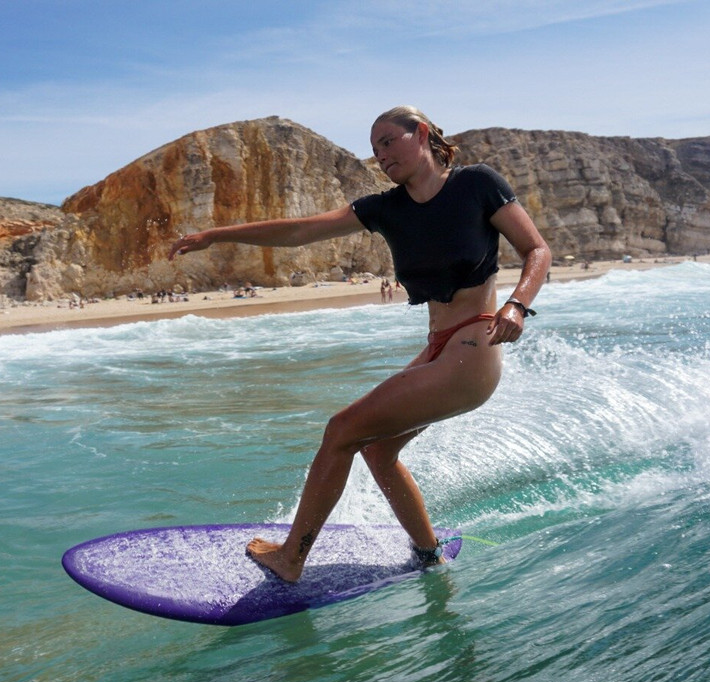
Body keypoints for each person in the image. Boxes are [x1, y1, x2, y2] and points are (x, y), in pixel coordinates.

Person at [169, 105, 551, 582]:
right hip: (439, 347)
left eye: (389, 141)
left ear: (423, 134)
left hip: (474, 347)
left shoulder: (476, 184)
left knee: (340, 430)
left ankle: (291, 558)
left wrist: (517, 304)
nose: (381, 155)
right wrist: (214, 236)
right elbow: (301, 231)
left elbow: (537, 249)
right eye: (375, 150)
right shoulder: (385, 209)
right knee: (376, 448)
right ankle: (429, 553)